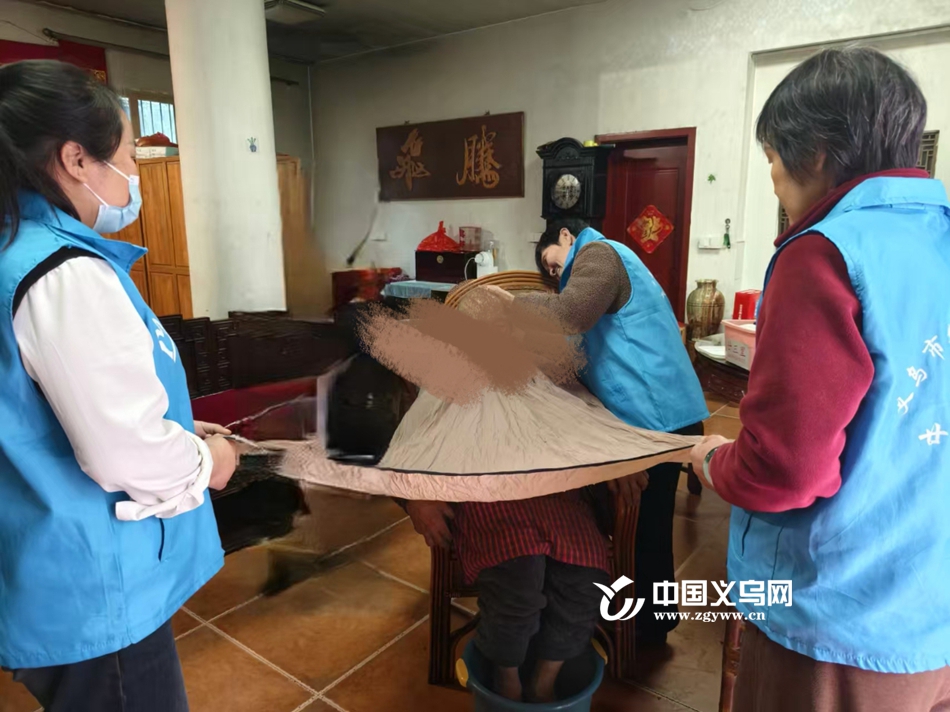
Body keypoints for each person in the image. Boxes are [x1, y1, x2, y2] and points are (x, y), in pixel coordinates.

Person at [689, 47, 950, 711]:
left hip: (839, 616)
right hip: (933, 605)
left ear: (816, 152)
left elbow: (784, 471)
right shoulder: (936, 234)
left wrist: (713, 461)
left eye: (772, 159)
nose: (774, 181)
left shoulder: (824, 254)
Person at [0, 60, 240, 712]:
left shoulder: (14, 250)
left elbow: (40, 410)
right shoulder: (63, 274)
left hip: (39, 564)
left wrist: (177, 428)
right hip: (92, 585)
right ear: (76, 159)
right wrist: (208, 461)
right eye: (130, 155)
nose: (134, 176)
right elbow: (123, 451)